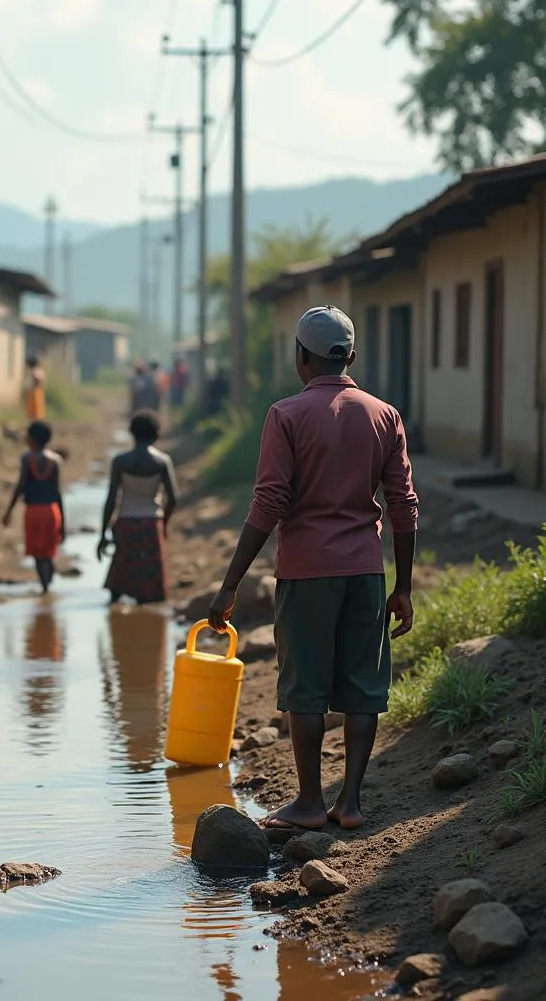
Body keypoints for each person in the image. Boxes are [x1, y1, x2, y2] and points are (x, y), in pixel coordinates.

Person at [208, 305, 418, 832]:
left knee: (304, 688)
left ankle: (306, 803)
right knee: (362, 687)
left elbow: (269, 501)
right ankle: (349, 802)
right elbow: (403, 504)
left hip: (305, 573)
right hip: (366, 573)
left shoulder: (286, 415)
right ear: (350, 356)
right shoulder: (384, 414)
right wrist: (404, 587)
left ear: (301, 356)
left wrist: (230, 584)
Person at [97, 410, 178, 605]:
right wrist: (164, 523)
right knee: (149, 577)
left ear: (132, 433)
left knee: (121, 569)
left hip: (126, 522)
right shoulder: (162, 461)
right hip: (151, 523)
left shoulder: (121, 461)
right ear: (156, 434)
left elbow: (111, 499)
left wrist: (102, 533)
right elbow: (173, 497)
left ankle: (115, 622)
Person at [3, 420, 65, 594]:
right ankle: (49, 582)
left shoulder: (26, 458)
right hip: (52, 511)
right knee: (49, 551)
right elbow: (58, 492)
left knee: (38, 552)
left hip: (33, 512)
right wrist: (64, 523)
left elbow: (21, 485)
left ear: (30, 439)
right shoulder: (56, 461)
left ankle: (45, 587)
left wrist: (9, 511)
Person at [25, 354, 46, 421]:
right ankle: (35, 418)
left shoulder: (36, 371)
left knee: (36, 406)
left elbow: (38, 380)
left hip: (35, 391)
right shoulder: (37, 370)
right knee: (34, 407)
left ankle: (36, 419)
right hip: (35, 390)